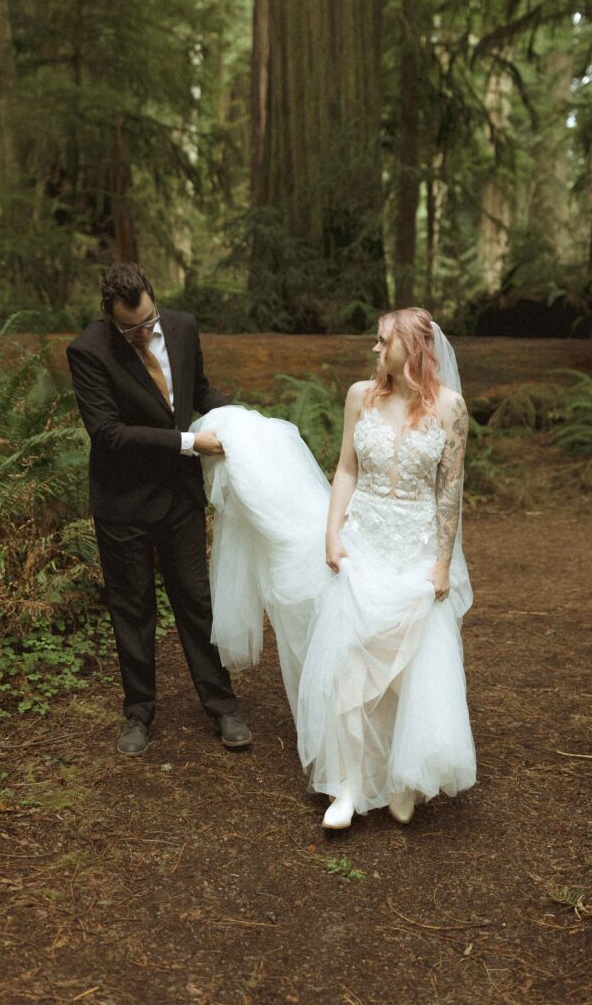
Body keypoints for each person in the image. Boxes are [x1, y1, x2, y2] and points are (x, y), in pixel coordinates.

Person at [191, 308, 476, 828]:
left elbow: (449, 491)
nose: (373, 349)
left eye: (381, 340)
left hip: (415, 547)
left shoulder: (451, 409)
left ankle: (403, 778)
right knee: (347, 661)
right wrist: (332, 532)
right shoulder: (360, 396)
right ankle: (345, 785)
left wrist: (441, 563)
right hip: (362, 539)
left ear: (410, 348)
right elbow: (346, 467)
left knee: (408, 666)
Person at [66, 262, 252, 756]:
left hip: (179, 499)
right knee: (132, 608)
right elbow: (107, 434)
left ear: (154, 297)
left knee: (195, 601)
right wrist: (190, 441)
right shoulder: (88, 350)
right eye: (132, 327)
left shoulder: (184, 327)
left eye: (149, 320)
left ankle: (222, 706)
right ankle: (139, 712)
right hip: (122, 503)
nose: (144, 332)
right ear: (110, 315)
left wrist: (240, 423)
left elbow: (198, 392)